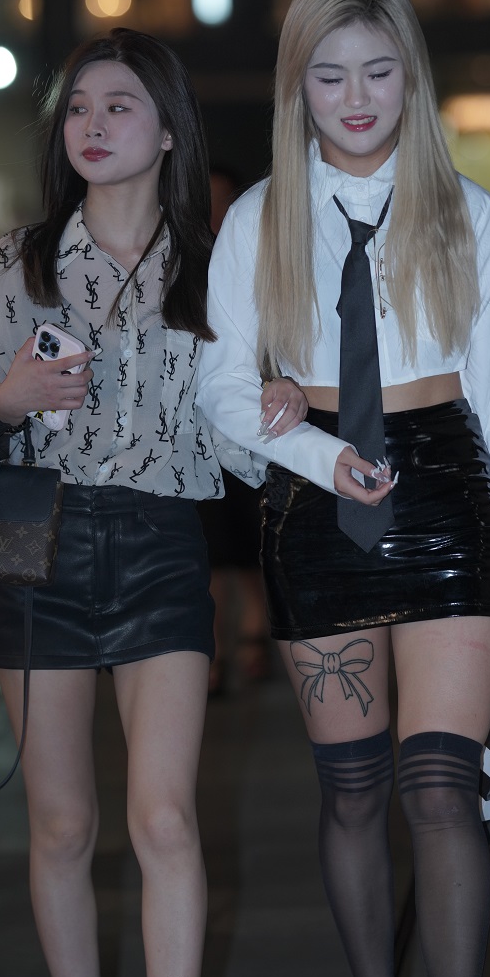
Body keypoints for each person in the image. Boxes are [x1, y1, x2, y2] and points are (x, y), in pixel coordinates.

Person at [197, 0, 490, 977]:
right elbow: (219, 387)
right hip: (315, 512)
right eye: (329, 76)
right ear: (294, 87)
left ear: (413, 78)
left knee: (440, 789)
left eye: (378, 72)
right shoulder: (258, 218)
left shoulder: (465, 210)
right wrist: (313, 452)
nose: (355, 98)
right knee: (350, 789)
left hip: (448, 498)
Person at [0, 27, 305, 977]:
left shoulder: (216, 266)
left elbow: (240, 446)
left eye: (118, 106)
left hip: (160, 547)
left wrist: (278, 404)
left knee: (164, 817)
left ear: (168, 131)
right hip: (35, 551)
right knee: (63, 825)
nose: (93, 125)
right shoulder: (16, 264)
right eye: (78, 108)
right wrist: (8, 400)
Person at [197, 164, 271, 694]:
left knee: (249, 541)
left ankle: (251, 632)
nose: (215, 213)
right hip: (196, 426)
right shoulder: (178, 260)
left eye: (224, 200)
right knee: (211, 546)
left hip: (253, 423)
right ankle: (220, 646)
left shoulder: (256, 258)